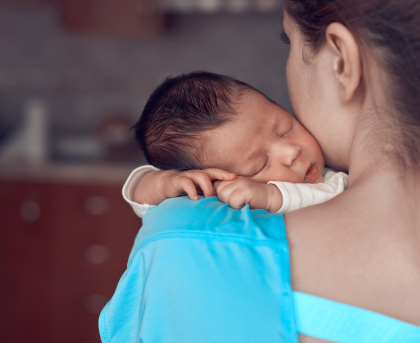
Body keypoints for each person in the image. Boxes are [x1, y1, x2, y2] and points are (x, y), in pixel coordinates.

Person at [99, 0, 420, 342]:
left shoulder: (186, 244)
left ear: (341, 61)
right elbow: (146, 198)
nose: (290, 150)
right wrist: (159, 182)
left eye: (289, 42)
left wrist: (269, 193)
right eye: (260, 164)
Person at [126, 71, 348, 216]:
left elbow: (342, 204)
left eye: (285, 128)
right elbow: (139, 195)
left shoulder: (334, 180)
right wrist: (165, 183)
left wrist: (271, 197)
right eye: (261, 164)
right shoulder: (215, 196)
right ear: (214, 179)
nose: (291, 151)